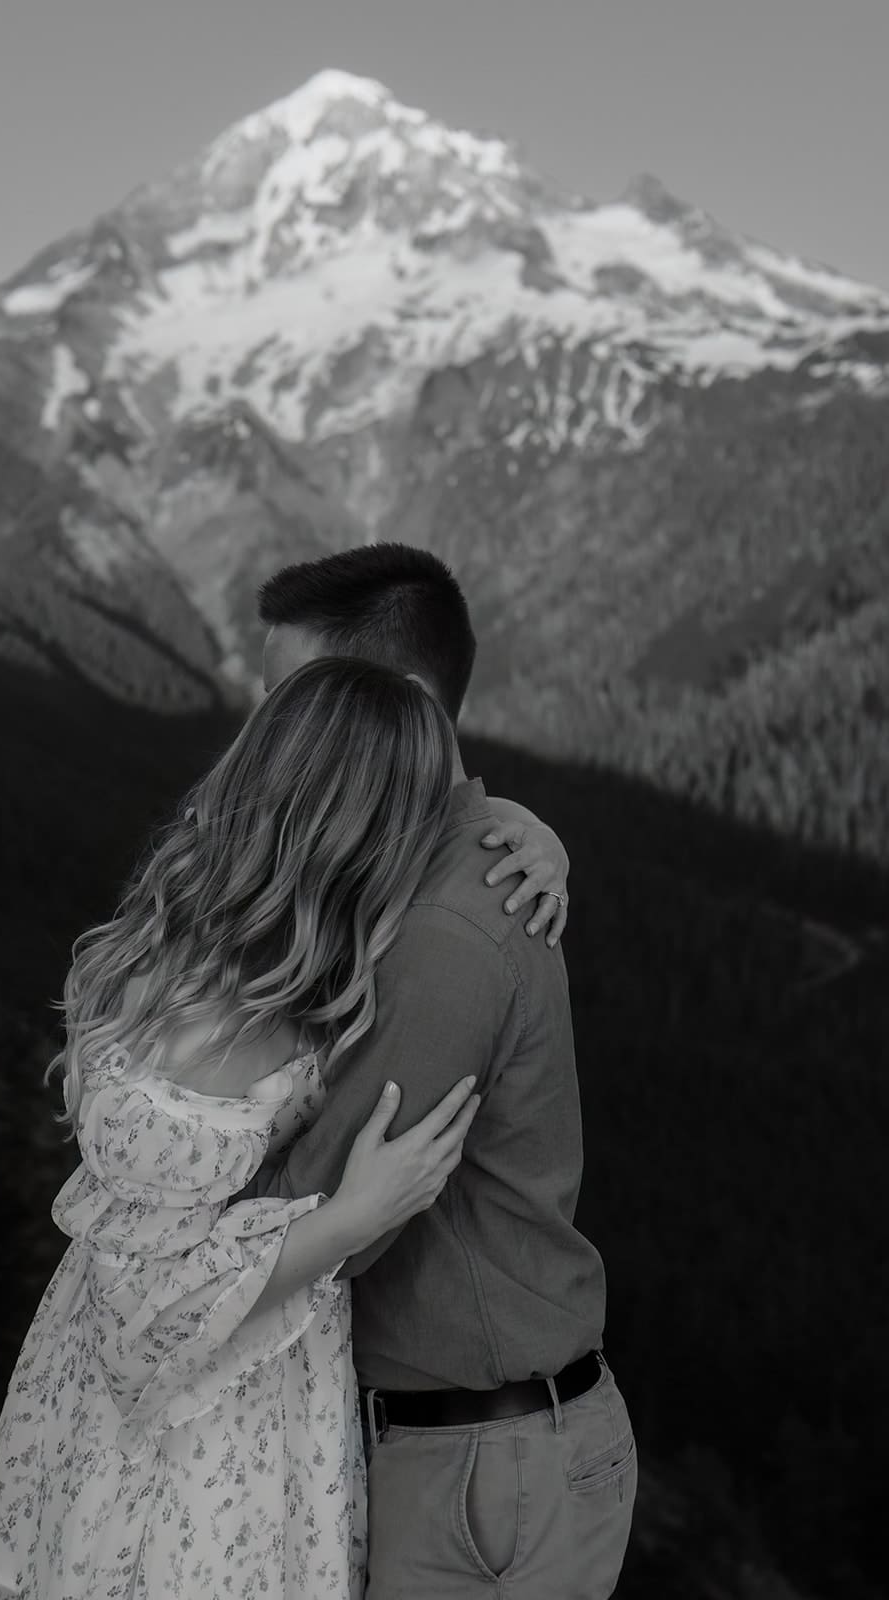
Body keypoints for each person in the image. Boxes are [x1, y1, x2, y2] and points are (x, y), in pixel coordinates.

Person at [0, 655, 487, 1600]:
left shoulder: (190, 944)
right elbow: (152, 1306)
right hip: (196, 1448)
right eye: (428, 814)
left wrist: (530, 837)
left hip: (117, 1424)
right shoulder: (234, 1023)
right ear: (372, 835)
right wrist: (355, 1217)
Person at [244, 543, 637, 1598]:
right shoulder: (435, 860)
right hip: (485, 1444)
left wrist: (141, 1209)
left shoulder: (443, 931)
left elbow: (319, 1220)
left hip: (478, 1468)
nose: (265, 733)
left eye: (293, 699)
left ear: (402, 706)